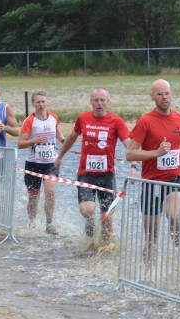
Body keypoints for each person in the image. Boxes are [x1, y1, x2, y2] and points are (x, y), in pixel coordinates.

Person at [125, 79, 180, 264]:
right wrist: (156, 153)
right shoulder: (145, 121)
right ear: (152, 97)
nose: (164, 97)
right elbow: (130, 154)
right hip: (152, 183)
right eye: (160, 94)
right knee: (151, 238)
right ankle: (148, 271)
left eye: (167, 93)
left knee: (174, 216)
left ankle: (179, 255)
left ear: (171, 94)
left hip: (174, 179)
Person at [54, 88, 135, 242]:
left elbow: (129, 145)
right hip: (86, 174)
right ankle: (89, 222)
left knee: (107, 218)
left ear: (108, 102)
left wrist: (133, 166)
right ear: (91, 102)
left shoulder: (116, 121)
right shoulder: (83, 118)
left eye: (102, 100)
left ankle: (104, 248)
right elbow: (71, 139)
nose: (99, 103)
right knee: (88, 209)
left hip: (107, 175)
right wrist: (59, 157)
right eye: (96, 100)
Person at [18, 91, 64, 235]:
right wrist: (34, 140)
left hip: (51, 163)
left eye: (43, 101)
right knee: (33, 197)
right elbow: (20, 144)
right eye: (38, 102)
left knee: (50, 192)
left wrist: (64, 141)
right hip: (33, 164)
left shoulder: (54, 117)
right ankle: (32, 223)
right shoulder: (29, 121)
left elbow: (58, 133)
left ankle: (50, 224)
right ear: (33, 104)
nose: (41, 105)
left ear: (47, 102)